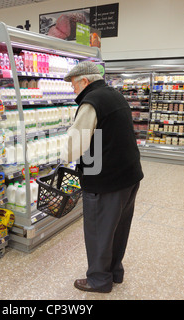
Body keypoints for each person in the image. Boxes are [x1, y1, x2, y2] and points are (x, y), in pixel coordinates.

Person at [61, 61, 144, 293]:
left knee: (98, 231)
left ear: (85, 81)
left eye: (74, 85)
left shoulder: (91, 102)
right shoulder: (114, 96)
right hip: (129, 175)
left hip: (105, 180)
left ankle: (99, 280)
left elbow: (73, 147)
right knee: (118, 229)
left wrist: (58, 154)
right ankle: (115, 272)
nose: (72, 90)